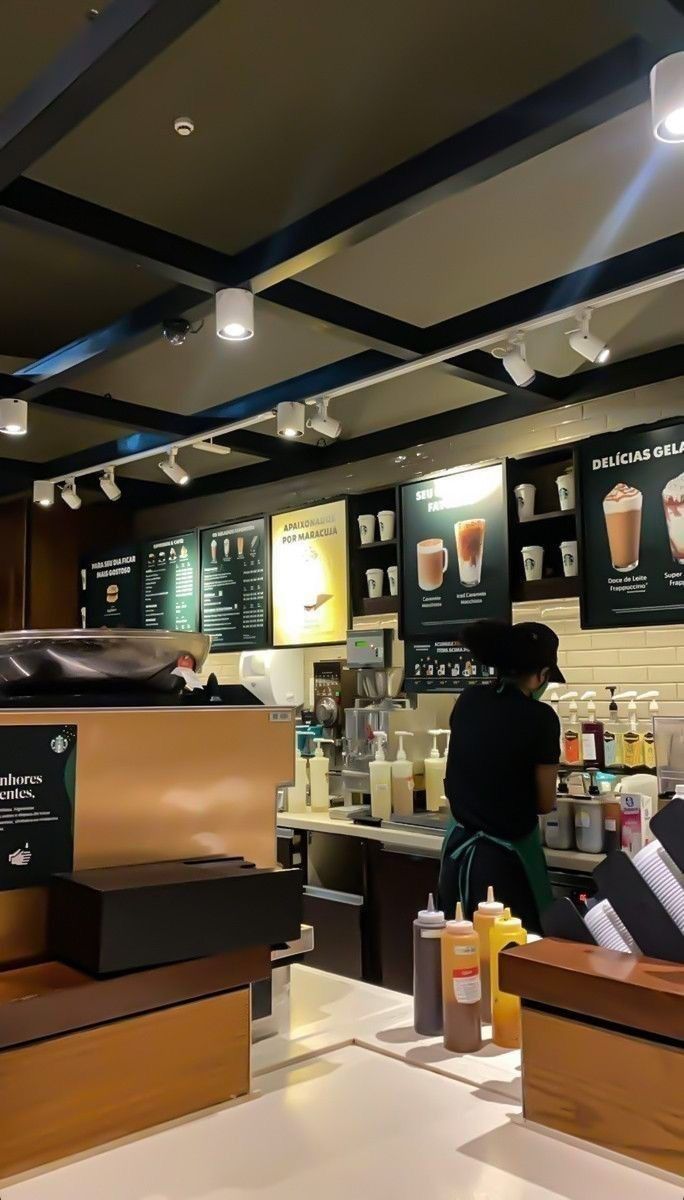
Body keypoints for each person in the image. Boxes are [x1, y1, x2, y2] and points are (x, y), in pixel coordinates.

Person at [438, 619, 564, 932]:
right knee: (510, 968)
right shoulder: (541, 718)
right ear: (541, 676)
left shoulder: (468, 701)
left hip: (456, 859)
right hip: (504, 867)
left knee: (459, 959)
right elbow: (545, 801)